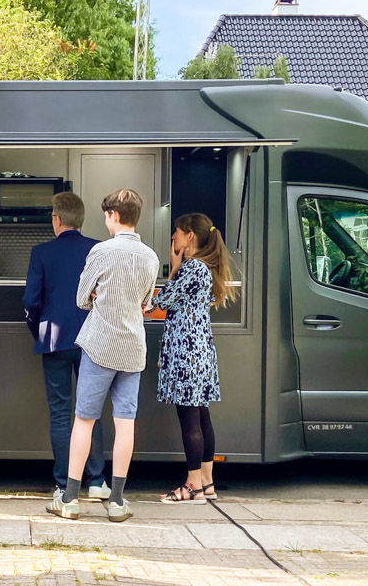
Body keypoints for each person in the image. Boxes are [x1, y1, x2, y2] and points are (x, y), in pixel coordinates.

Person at [46, 188, 159, 523]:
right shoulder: (150, 257)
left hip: (100, 346)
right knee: (125, 422)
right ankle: (118, 501)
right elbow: (145, 303)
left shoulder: (101, 251)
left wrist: (99, 297)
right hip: (132, 347)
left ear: (112, 216)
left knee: (84, 419)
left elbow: (82, 298)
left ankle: (69, 499)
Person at [23, 193, 110, 501]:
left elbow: (30, 302)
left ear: (56, 219)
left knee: (61, 411)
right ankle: (97, 480)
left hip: (54, 340)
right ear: (81, 220)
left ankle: (63, 483)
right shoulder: (98, 250)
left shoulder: (41, 253)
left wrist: (39, 331)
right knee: (90, 411)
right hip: (92, 340)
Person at [155, 214, 237, 503]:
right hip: (199, 353)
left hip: (186, 354)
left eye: (176, 233)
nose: (173, 239)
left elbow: (161, 302)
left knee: (189, 419)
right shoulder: (204, 268)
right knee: (201, 416)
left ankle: (192, 486)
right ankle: (206, 482)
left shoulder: (192, 269)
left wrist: (173, 269)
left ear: (190, 236)